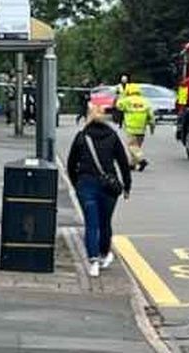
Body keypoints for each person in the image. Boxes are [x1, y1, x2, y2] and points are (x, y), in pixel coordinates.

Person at [66, 103, 132, 278]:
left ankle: (93, 260)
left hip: (86, 184)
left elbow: (71, 164)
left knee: (91, 223)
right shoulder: (112, 136)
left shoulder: (81, 137)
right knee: (105, 222)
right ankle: (104, 253)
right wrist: (127, 186)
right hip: (108, 186)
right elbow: (123, 163)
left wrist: (76, 183)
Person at [116, 83, 155, 172]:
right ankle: (132, 164)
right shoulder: (145, 101)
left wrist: (122, 95)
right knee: (136, 147)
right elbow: (151, 116)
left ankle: (141, 160)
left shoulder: (126, 100)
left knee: (132, 146)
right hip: (141, 129)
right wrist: (152, 127)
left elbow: (118, 105)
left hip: (131, 127)